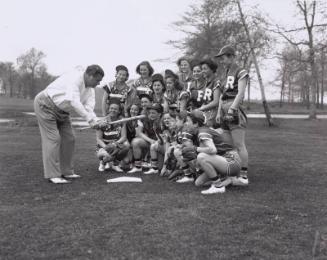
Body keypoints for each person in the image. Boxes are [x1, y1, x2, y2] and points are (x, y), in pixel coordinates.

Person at [34, 65, 105, 184]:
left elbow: (88, 108)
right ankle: (53, 175)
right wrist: (90, 120)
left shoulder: (91, 90)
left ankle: (67, 171)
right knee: (53, 139)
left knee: (70, 138)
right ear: (89, 75)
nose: (98, 84)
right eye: (97, 80)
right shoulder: (75, 79)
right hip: (45, 105)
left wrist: (95, 120)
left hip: (63, 112)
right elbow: (75, 102)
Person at [180, 110, 241, 194]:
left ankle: (218, 186)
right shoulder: (202, 130)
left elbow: (212, 150)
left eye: (188, 121)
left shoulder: (202, 132)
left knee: (201, 157)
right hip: (224, 160)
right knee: (199, 183)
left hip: (232, 160)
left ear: (196, 124)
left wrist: (195, 149)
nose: (186, 123)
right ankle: (230, 179)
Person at [214, 45, 249, 186]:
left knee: (239, 144)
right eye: (221, 58)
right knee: (228, 144)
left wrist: (232, 109)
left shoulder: (240, 71)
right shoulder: (224, 74)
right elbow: (222, 95)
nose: (222, 61)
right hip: (224, 107)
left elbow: (240, 93)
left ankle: (244, 176)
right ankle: (232, 171)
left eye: (224, 58)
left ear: (231, 56)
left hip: (233, 107)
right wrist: (218, 112)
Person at [128, 103, 163, 174]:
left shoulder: (163, 120)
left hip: (162, 143)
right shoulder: (143, 118)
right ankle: (138, 167)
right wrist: (150, 140)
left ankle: (154, 166)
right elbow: (139, 133)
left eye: (153, 113)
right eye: (149, 113)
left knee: (160, 167)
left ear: (159, 114)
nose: (151, 115)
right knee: (135, 142)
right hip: (150, 141)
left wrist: (158, 141)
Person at [96, 101, 129, 173]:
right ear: (108, 109)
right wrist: (106, 147)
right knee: (108, 155)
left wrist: (115, 144)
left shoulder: (122, 120)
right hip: (104, 147)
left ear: (119, 111)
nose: (113, 110)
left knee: (126, 150)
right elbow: (99, 139)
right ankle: (103, 163)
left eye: (115, 109)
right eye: (111, 108)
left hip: (115, 145)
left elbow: (124, 137)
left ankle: (115, 164)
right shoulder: (102, 121)